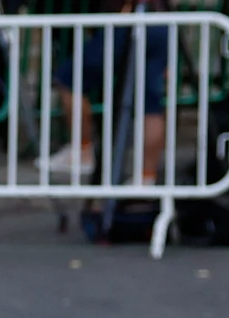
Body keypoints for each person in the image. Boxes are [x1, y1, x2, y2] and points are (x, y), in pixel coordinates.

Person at [41, 0, 172, 185]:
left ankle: (82, 149)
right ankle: (146, 176)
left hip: (130, 20)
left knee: (69, 78)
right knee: (150, 103)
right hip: (161, 19)